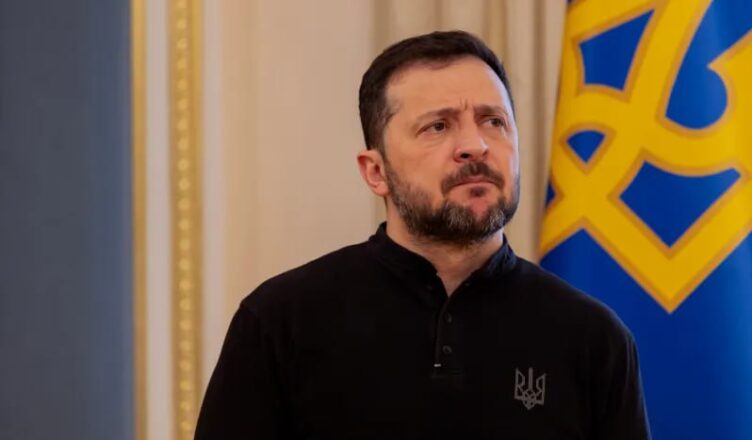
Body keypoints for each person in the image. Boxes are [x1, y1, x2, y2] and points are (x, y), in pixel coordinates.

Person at [195, 30, 651, 440]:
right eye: (438, 126)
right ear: (376, 172)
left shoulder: (595, 338)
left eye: (494, 121)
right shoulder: (278, 323)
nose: (475, 145)